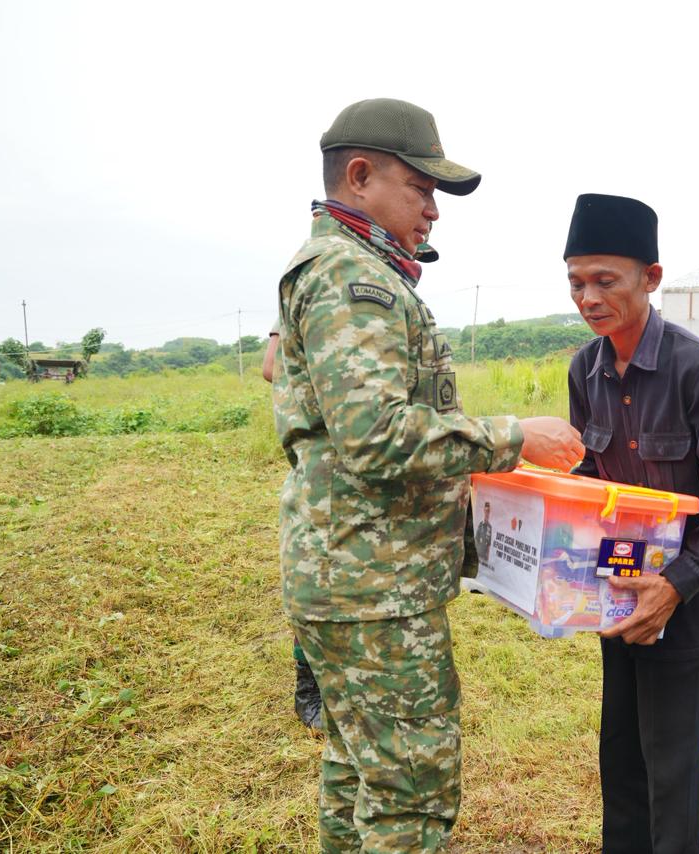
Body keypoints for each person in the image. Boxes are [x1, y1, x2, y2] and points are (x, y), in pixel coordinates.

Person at [273, 97, 582, 852]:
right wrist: (514, 438)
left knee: (360, 769)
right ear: (359, 176)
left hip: (350, 580)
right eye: (421, 189)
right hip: (373, 592)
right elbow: (376, 436)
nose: (433, 211)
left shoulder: (343, 270)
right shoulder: (353, 279)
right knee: (411, 795)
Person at [564, 193, 699, 853]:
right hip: (615, 587)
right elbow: (591, 472)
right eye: (575, 282)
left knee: (672, 772)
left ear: (652, 278)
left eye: (604, 281)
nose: (587, 297)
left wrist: (674, 586)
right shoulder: (583, 369)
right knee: (620, 757)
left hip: (685, 597)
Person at [262, 321, 322, 730]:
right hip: (324, 463)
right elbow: (272, 366)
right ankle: (309, 685)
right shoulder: (317, 290)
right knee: (314, 582)